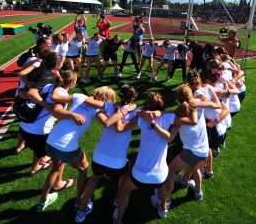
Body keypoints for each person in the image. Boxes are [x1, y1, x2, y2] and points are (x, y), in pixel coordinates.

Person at [36, 86, 115, 212]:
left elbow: (55, 97)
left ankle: (43, 199)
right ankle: (80, 201)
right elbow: (107, 123)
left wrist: (57, 86)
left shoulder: (79, 96)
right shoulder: (98, 110)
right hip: (65, 146)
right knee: (84, 168)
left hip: (51, 140)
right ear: (105, 99)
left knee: (56, 168)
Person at [76, 85, 138, 223]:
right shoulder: (136, 113)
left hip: (99, 157)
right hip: (118, 161)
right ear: (133, 97)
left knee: (94, 178)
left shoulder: (108, 106)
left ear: (120, 94)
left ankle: (80, 211)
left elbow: (89, 102)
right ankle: (117, 200)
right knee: (126, 174)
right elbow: (120, 129)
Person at [113, 92, 177, 224]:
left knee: (125, 190)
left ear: (148, 105)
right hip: (159, 176)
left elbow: (121, 128)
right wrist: (161, 113)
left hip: (139, 175)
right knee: (162, 187)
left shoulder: (141, 118)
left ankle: (118, 219)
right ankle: (163, 207)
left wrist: (121, 113)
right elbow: (182, 114)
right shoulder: (169, 117)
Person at [152, 84, 210, 218]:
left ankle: (165, 203)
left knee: (170, 171)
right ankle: (198, 193)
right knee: (195, 169)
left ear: (178, 100)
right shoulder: (198, 107)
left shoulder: (179, 120)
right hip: (204, 151)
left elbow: (170, 138)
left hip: (192, 152)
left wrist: (159, 122)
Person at [18, 70, 77, 175]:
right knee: (42, 152)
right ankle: (35, 167)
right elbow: (57, 114)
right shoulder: (63, 95)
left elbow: (27, 93)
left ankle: (38, 159)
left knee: (37, 148)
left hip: (24, 126)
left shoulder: (48, 86)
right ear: (72, 82)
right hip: (39, 132)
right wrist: (72, 116)